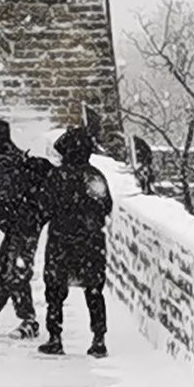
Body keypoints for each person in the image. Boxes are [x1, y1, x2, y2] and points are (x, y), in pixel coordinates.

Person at [0, 118, 50, 337]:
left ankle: (28, 321)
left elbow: (8, 193)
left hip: (23, 225)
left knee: (15, 271)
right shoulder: (15, 156)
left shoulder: (4, 161)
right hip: (23, 223)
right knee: (0, 267)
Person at [40, 122, 113, 358]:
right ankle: (98, 338)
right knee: (93, 289)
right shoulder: (94, 176)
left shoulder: (56, 176)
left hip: (61, 239)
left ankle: (55, 337)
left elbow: (44, 206)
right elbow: (106, 206)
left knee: (55, 290)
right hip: (91, 241)